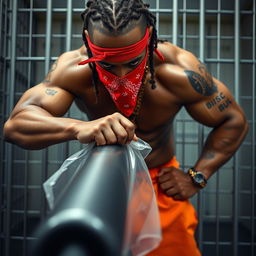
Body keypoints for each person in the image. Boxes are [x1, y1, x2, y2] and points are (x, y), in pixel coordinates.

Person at [3, 0, 248, 255]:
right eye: (108, 64)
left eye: (132, 62)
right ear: (88, 39)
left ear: (149, 36)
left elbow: (233, 120)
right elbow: (16, 125)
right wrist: (78, 127)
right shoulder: (73, 70)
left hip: (157, 185)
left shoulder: (178, 71)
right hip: (97, 182)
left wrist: (197, 176)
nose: (121, 75)